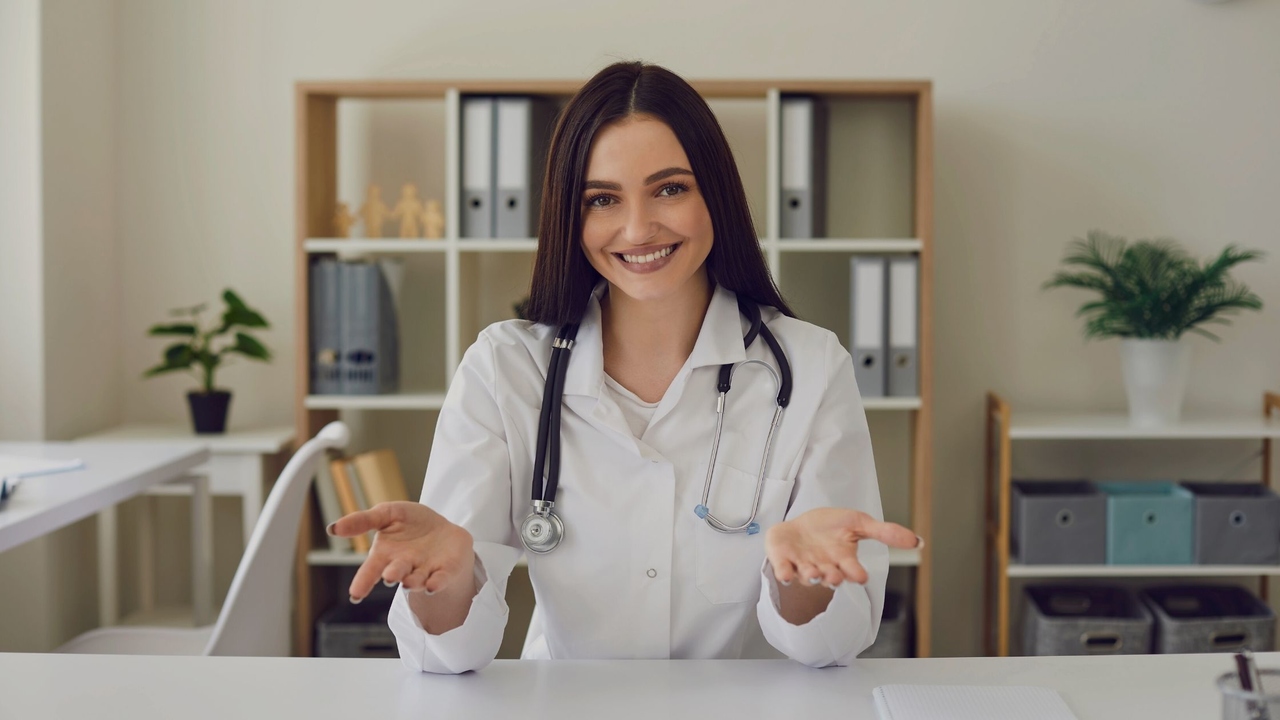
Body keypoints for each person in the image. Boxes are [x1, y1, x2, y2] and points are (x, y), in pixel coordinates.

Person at [328, 60, 922, 674]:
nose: (638, 228)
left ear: (715, 193)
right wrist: (445, 580)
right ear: (571, 215)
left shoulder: (810, 366)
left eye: (670, 188)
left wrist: (805, 581)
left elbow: (833, 645)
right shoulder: (506, 369)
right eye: (603, 199)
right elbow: (444, 655)